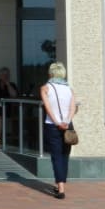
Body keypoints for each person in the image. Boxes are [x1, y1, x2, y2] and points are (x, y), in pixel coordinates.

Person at [40, 61, 77, 199]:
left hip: (52, 125)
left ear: (51, 73)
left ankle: (60, 188)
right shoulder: (69, 89)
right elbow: (72, 108)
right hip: (68, 126)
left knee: (56, 156)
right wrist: (66, 122)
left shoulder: (45, 88)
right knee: (65, 155)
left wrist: (57, 123)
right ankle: (61, 184)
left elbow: (48, 108)